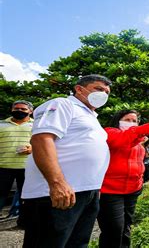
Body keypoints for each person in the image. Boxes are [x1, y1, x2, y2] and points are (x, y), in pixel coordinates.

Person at [21, 74, 112, 247]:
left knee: (77, 243)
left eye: (107, 92)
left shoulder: (91, 116)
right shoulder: (63, 104)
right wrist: (57, 183)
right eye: (99, 89)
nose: (103, 94)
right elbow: (42, 139)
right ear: (79, 89)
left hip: (86, 192)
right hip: (57, 192)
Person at [98, 109, 149, 248]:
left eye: (135, 121)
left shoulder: (138, 143)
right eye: (128, 120)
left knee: (126, 227)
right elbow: (126, 138)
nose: (132, 123)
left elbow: (139, 161)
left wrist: (139, 182)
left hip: (132, 190)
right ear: (118, 120)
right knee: (114, 229)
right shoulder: (109, 132)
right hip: (110, 191)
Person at [0, 100, 34, 219]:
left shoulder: (37, 125)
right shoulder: (1, 125)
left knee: (26, 196)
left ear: (30, 111)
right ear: (12, 110)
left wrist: (32, 149)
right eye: (16, 108)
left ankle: (23, 220)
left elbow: (44, 143)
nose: (19, 111)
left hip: (28, 167)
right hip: (3, 166)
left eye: (23, 109)